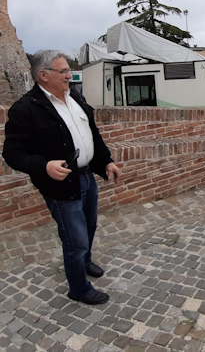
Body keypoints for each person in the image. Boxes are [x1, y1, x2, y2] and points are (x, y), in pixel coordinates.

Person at [2, 50, 121, 305]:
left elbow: (92, 134)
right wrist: (44, 165)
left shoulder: (74, 96)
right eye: (63, 71)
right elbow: (12, 153)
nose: (69, 75)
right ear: (43, 75)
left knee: (89, 226)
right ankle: (78, 288)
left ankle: (85, 262)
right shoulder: (25, 109)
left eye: (68, 70)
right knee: (75, 239)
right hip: (61, 185)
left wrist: (106, 161)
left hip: (87, 177)